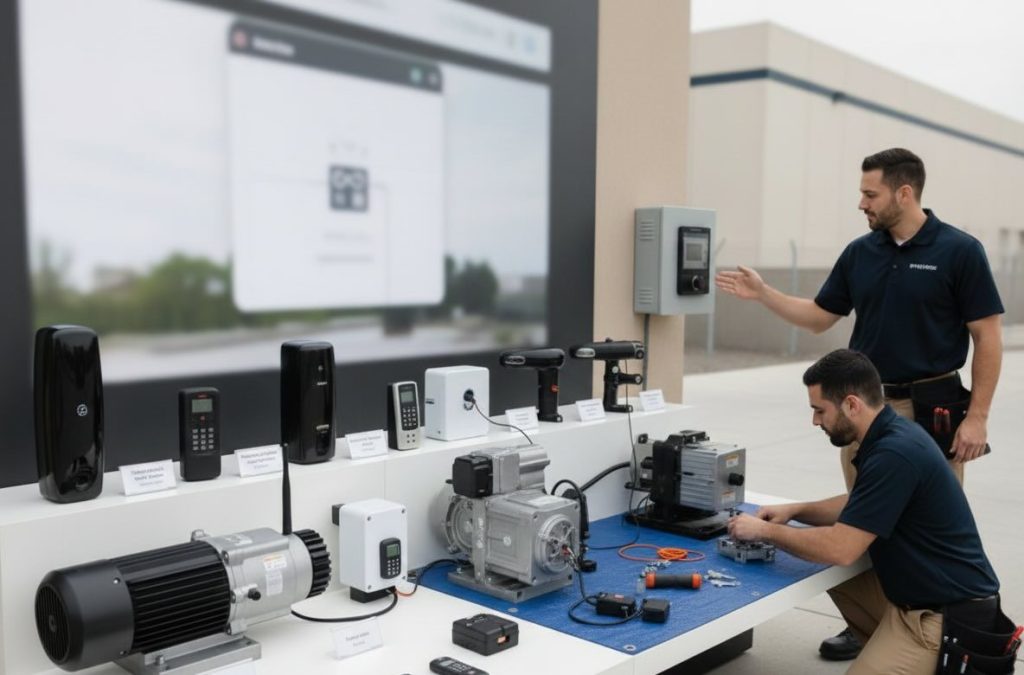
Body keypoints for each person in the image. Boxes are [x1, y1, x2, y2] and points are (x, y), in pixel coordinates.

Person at [715, 147, 1004, 659]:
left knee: (918, 523)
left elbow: (987, 336)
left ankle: (927, 632)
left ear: (904, 192)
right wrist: (764, 294)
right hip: (863, 410)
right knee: (862, 521)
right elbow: (819, 317)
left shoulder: (960, 251)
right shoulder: (861, 252)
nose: (862, 203)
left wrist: (977, 416)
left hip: (931, 412)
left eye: (870, 193)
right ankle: (873, 620)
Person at [728, 349, 1001, 675]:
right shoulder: (892, 434)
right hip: (921, 601)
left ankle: (911, 659)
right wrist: (795, 510)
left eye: (819, 410)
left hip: (944, 622)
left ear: (852, 405)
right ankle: (893, 652)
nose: (815, 421)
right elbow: (862, 502)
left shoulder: (894, 454)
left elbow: (840, 549)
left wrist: (765, 531)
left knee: (829, 557)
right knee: (829, 575)